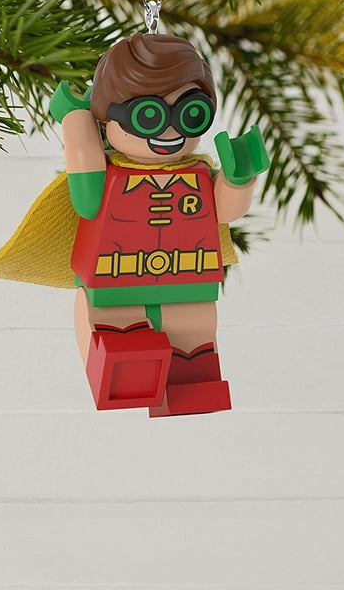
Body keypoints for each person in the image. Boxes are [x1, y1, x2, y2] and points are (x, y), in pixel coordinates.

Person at [49, 32, 268, 416]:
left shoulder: (198, 174)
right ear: (107, 116)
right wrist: (76, 119)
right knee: (122, 353)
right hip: (115, 282)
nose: (170, 131)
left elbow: (224, 212)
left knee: (194, 350)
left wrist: (238, 179)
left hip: (189, 280)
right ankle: (128, 387)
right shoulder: (110, 177)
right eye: (147, 116)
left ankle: (189, 398)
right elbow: (85, 199)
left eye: (191, 114)